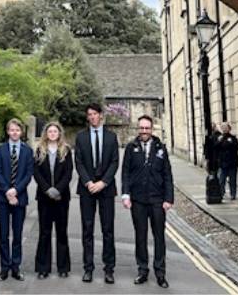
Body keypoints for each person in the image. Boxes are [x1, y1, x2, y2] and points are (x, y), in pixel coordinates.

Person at [121, 115, 174, 289]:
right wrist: (125, 195)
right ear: (138, 129)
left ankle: (160, 273)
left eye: (147, 128)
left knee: (159, 237)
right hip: (138, 200)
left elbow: (167, 175)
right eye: (141, 128)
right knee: (140, 236)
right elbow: (125, 173)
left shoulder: (160, 148)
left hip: (157, 200)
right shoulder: (131, 148)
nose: (144, 131)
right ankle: (142, 270)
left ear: (152, 129)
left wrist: (168, 198)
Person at [74, 102, 119, 284]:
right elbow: (79, 162)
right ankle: (88, 268)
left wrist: (103, 182)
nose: (92, 117)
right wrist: (89, 182)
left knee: (108, 230)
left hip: (106, 189)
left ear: (101, 115)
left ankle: (109, 269)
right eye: (89, 114)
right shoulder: (81, 137)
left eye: (95, 113)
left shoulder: (111, 137)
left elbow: (114, 162)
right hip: (87, 189)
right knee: (87, 230)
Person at [0, 118, 34, 282]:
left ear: (21, 132)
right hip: (3, 199)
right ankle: (4, 268)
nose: (14, 132)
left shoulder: (28, 151)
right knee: (3, 236)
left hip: (20, 198)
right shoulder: (0, 150)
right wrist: (7, 192)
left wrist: (16, 191)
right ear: (8, 131)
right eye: (12, 130)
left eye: (17, 130)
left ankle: (16, 267)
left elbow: (28, 174)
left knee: (17, 235)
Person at [33, 121, 73, 279]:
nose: (52, 134)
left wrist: (57, 190)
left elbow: (68, 173)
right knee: (44, 232)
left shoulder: (66, 151)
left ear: (59, 133)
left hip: (61, 197)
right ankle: (43, 268)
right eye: (50, 131)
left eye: (55, 131)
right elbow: (36, 173)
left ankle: (63, 267)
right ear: (46, 134)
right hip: (44, 197)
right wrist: (48, 190)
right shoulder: (39, 150)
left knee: (61, 232)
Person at [215, 122, 238, 201]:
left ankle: (233, 194)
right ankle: (221, 193)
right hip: (223, 163)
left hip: (232, 163)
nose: (225, 129)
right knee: (221, 180)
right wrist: (218, 142)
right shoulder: (220, 138)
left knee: (232, 180)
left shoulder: (233, 138)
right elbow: (215, 148)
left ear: (229, 129)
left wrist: (232, 143)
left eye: (226, 128)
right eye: (223, 128)